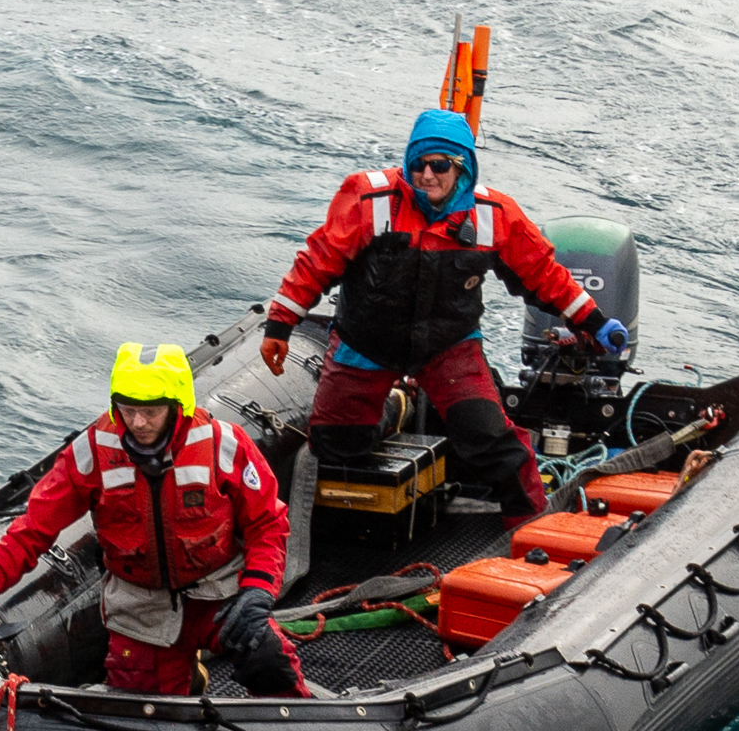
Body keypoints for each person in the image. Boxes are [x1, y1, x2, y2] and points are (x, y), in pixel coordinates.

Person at [259, 105, 627, 520]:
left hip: (448, 346)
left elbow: (543, 275)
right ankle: (393, 409)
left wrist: (595, 323)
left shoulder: (495, 216)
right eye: (418, 164)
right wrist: (280, 325)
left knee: (490, 439)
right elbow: (316, 263)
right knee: (336, 447)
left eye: (440, 165)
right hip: (366, 343)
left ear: (463, 168)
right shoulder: (368, 199)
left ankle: (529, 526)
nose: (427, 175)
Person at [0, 340, 304, 697]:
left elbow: (267, 523)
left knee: (269, 659)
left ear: (178, 406)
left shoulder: (224, 445)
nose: (138, 422)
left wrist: (257, 592)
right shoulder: (94, 451)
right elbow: (32, 529)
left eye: (151, 411)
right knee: (145, 717)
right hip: (141, 610)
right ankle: (187, 682)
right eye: (127, 410)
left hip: (219, 595)